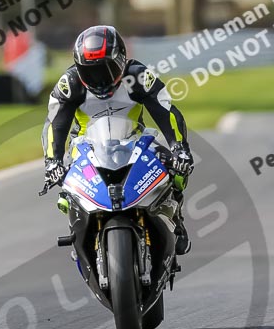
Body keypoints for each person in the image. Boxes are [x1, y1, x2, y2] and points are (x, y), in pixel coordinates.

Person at [42, 25, 194, 254]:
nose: (99, 79)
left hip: (134, 139)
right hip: (85, 146)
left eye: (106, 69)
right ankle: (79, 231)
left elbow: (166, 110)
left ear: (121, 59)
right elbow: (55, 123)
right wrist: (52, 161)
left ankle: (177, 218)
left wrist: (179, 148)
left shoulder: (137, 75)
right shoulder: (70, 83)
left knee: (176, 166)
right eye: (90, 72)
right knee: (65, 189)